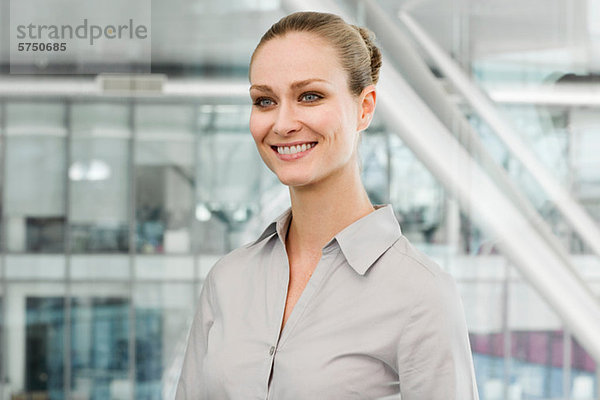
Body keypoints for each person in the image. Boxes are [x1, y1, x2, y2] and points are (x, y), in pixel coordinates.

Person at [176, 11, 479, 400]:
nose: (283, 123)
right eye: (265, 101)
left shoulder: (421, 293)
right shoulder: (228, 279)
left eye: (310, 96)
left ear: (365, 107)